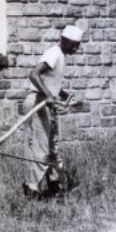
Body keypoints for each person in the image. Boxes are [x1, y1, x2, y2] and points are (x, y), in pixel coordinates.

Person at [22, 25, 83, 199]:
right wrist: (48, 95)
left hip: (46, 104)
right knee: (40, 148)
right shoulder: (54, 53)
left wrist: (62, 94)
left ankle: (53, 186)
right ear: (65, 40)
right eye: (74, 44)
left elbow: (50, 82)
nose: (76, 48)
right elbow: (34, 75)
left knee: (53, 147)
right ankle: (32, 190)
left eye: (78, 45)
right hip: (37, 103)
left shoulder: (61, 56)